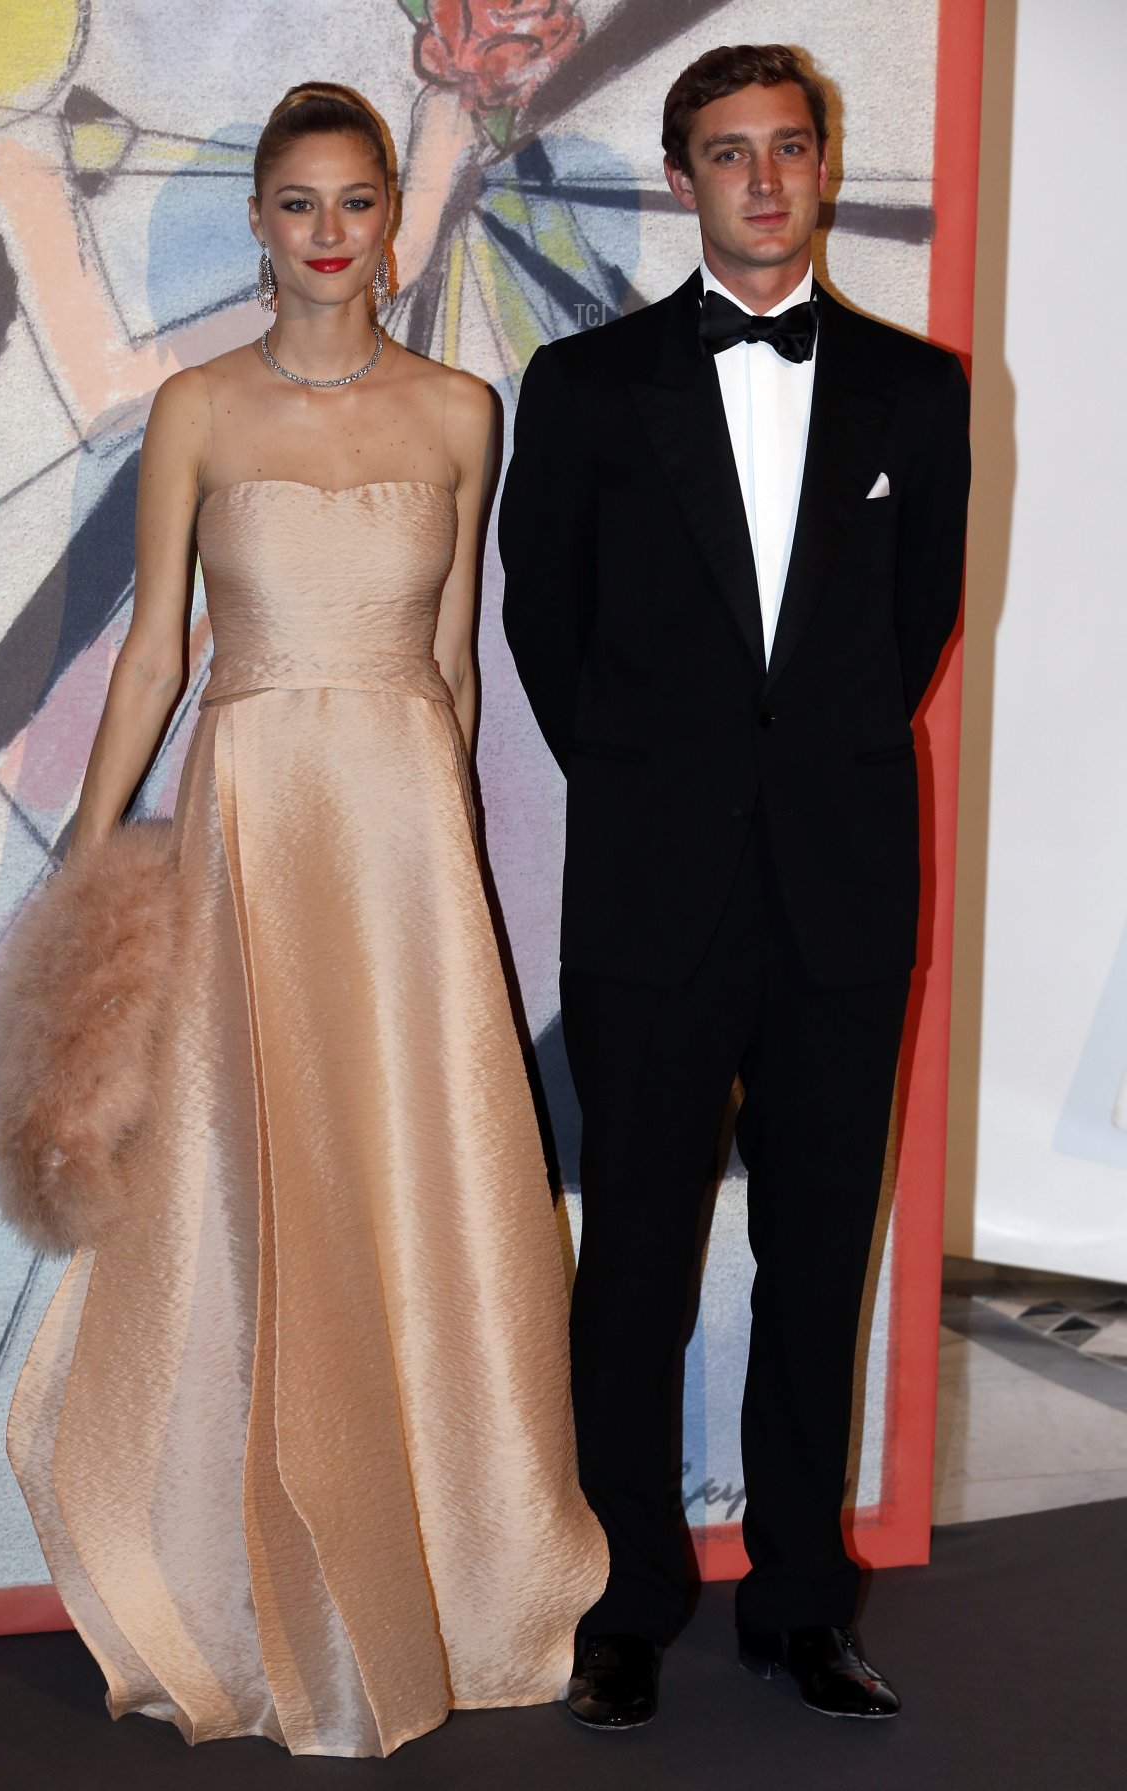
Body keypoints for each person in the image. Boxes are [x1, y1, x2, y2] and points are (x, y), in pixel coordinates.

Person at [7, 81, 607, 1759]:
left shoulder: (463, 412)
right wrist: (85, 864)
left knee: (410, 1171)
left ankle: (450, 1571)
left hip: (406, 844)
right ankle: (249, 1587)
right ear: (261, 223)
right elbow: (156, 654)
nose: (330, 233)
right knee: (254, 1177)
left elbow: (454, 669)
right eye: (298, 203)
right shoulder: (198, 407)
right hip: (254, 822)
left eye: (356, 201)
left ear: (390, 213)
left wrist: (457, 879)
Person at [500, 43, 970, 1728]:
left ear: (824, 168)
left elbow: (913, 626)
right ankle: (622, 1601)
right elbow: (544, 627)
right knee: (631, 1255)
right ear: (681, 176)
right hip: (652, 892)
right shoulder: (585, 388)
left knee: (818, 1256)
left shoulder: (923, 392)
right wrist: (658, 788)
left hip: (843, 892)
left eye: (787, 148)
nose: (763, 180)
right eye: (727, 152)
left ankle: (799, 1604)